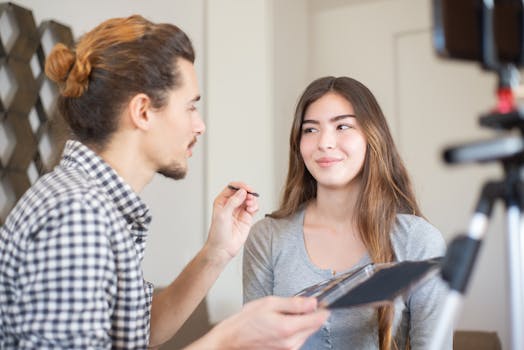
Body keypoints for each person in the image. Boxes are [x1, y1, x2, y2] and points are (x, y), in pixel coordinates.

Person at [0, 15, 329, 349]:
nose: (200, 126)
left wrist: (216, 251)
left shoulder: (94, 205)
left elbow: (141, 330)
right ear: (143, 111)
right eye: (190, 108)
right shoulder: (79, 215)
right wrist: (229, 340)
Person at [243, 76, 452, 350]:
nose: (324, 143)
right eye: (310, 129)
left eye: (342, 126)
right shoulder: (267, 237)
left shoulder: (418, 240)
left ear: (372, 136)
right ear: (298, 143)